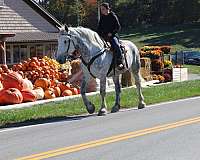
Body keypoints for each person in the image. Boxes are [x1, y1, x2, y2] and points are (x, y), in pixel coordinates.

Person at [97, 2, 124, 70]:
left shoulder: (113, 16)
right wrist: (98, 35)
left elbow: (118, 27)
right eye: (101, 10)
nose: (101, 11)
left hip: (112, 36)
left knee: (116, 46)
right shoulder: (102, 17)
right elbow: (99, 28)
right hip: (103, 36)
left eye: (103, 9)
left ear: (107, 9)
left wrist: (111, 33)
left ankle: (119, 62)